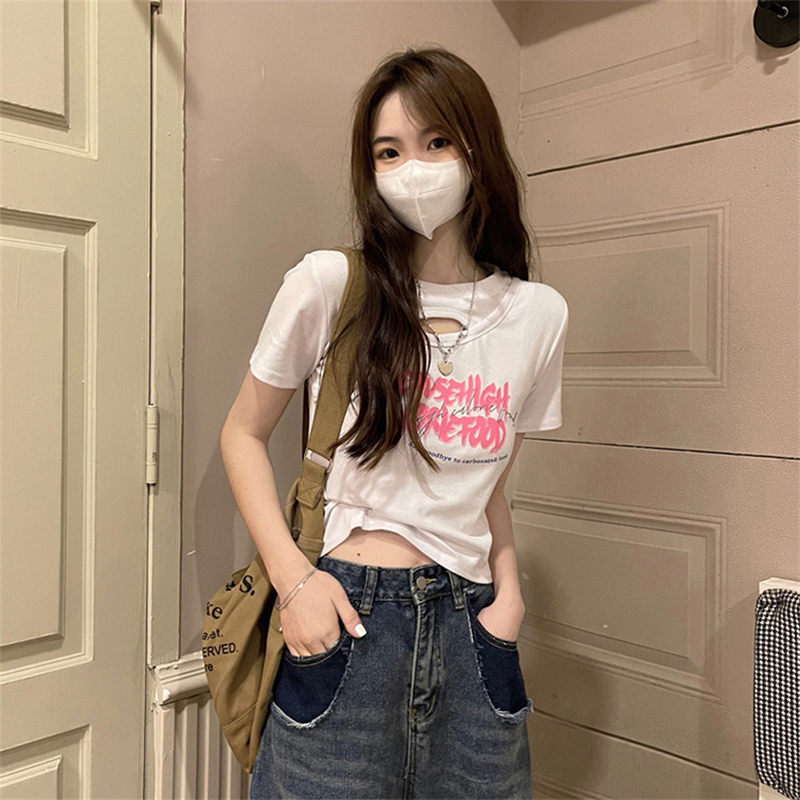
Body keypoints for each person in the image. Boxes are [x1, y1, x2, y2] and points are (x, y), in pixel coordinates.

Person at [221, 45, 569, 800]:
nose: (414, 168)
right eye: (389, 151)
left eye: (436, 141)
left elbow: (488, 486)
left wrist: (509, 599)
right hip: (347, 622)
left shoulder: (538, 314)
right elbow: (241, 434)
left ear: (477, 146)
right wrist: (295, 584)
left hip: (474, 626)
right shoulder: (332, 284)